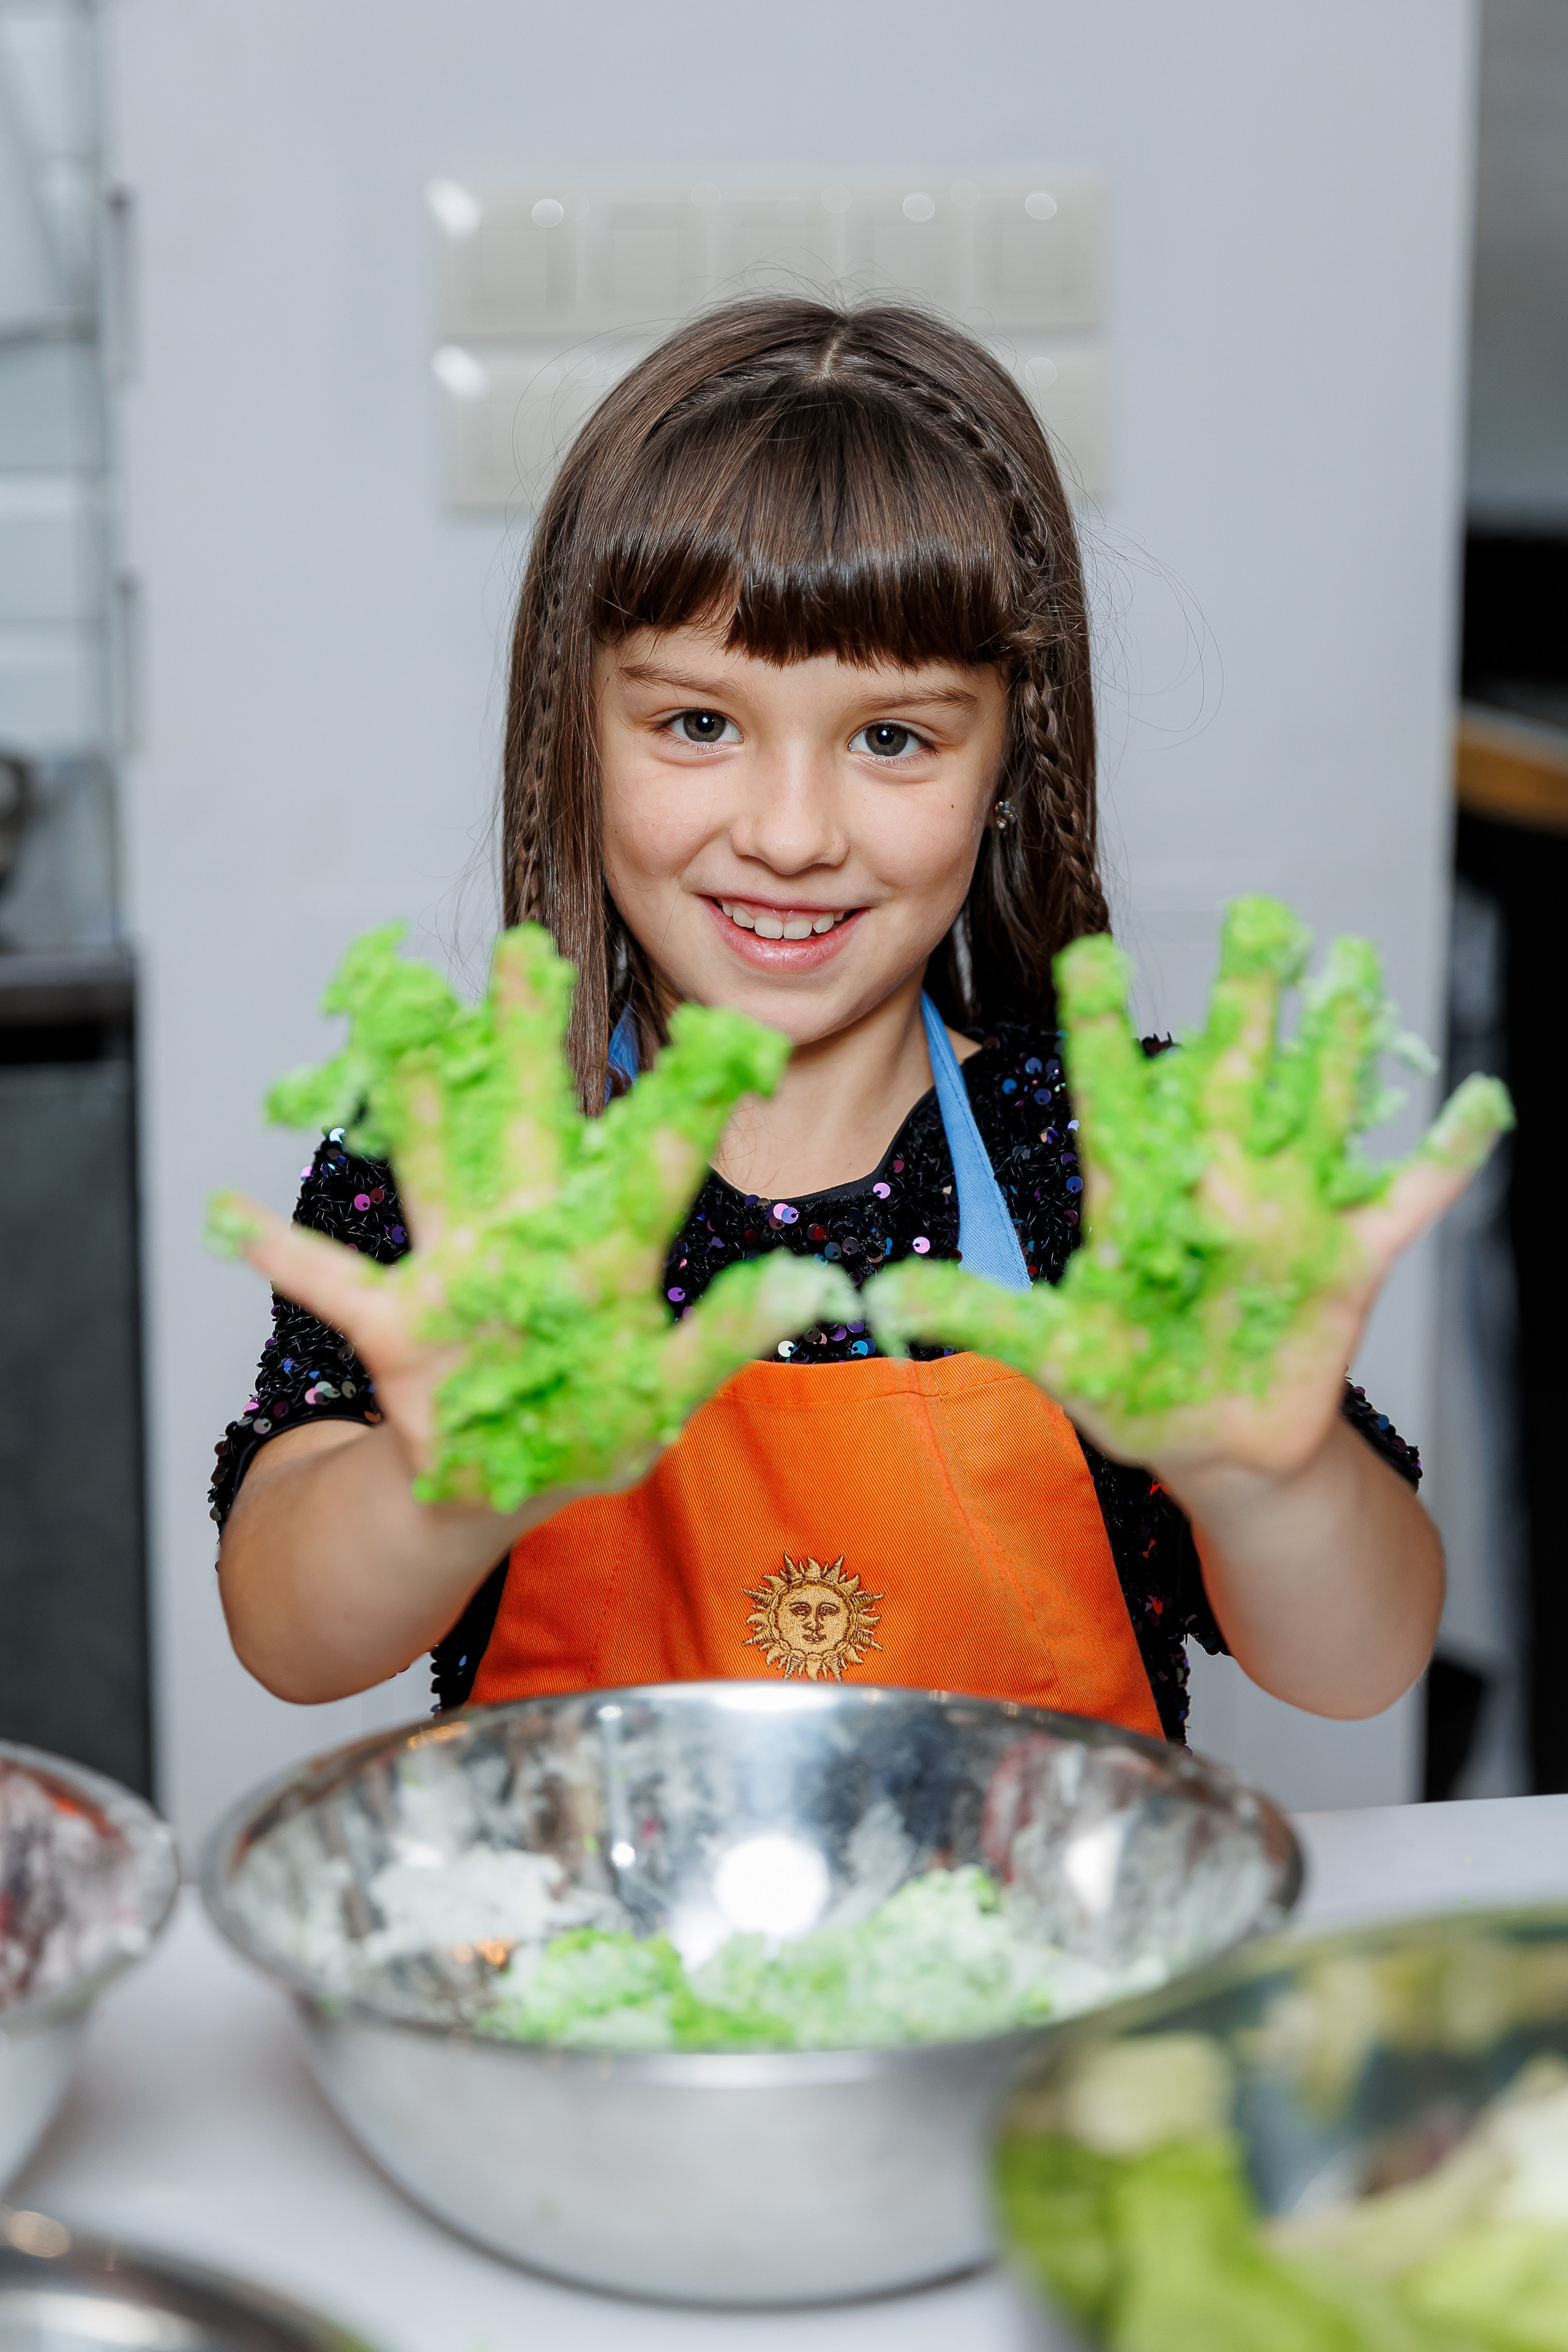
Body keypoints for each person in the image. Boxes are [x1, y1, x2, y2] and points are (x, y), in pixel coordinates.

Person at [211, 296, 1458, 1744]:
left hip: (1038, 1967)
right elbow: (289, 1636)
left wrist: (1264, 1476)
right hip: (586, 1960)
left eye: (889, 738)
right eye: (696, 724)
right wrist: (447, 1484)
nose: (791, 834)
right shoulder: (480, 1168)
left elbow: (1357, 1665)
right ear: (576, 729)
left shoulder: (1121, 1161)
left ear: (1009, 755)